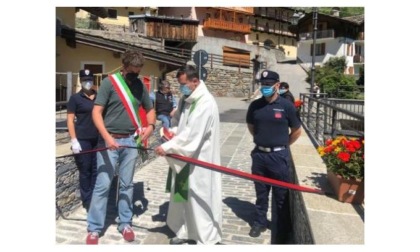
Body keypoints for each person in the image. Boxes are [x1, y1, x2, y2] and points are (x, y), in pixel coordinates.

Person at [86, 50, 156, 244]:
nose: (135, 75)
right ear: (124, 67)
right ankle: (94, 228)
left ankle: (125, 223)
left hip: (130, 142)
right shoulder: (110, 83)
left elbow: (150, 110)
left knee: (127, 184)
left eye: (138, 72)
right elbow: (97, 112)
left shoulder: (140, 85)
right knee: (103, 184)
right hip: (109, 141)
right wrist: (107, 137)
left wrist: (150, 127)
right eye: (132, 72)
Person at [155, 65, 223, 245]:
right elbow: (180, 122)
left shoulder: (205, 103)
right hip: (185, 156)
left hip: (199, 159)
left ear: (195, 81)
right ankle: (184, 230)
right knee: (182, 196)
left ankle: (203, 237)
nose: (181, 88)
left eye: (183, 84)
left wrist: (168, 147)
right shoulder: (187, 98)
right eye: (179, 85)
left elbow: (193, 135)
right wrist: (171, 132)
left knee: (197, 198)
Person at [246, 70, 302, 243]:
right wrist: (262, 142)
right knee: (261, 193)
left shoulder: (287, 106)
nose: (265, 88)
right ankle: (259, 222)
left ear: (277, 85)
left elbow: (296, 131)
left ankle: (282, 228)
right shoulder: (255, 106)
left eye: (268, 85)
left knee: (281, 195)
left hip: (279, 157)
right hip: (259, 156)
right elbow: (251, 126)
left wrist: (282, 146)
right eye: (263, 85)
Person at [67, 69, 99, 211]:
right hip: (83, 140)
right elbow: (70, 120)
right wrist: (74, 140)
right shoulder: (75, 99)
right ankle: (87, 202)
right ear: (80, 81)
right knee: (85, 171)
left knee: (96, 170)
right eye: (85, 79)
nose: (88, 82)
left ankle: (94, 198)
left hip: (98, 139)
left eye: (90, 79)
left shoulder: (99, 96)